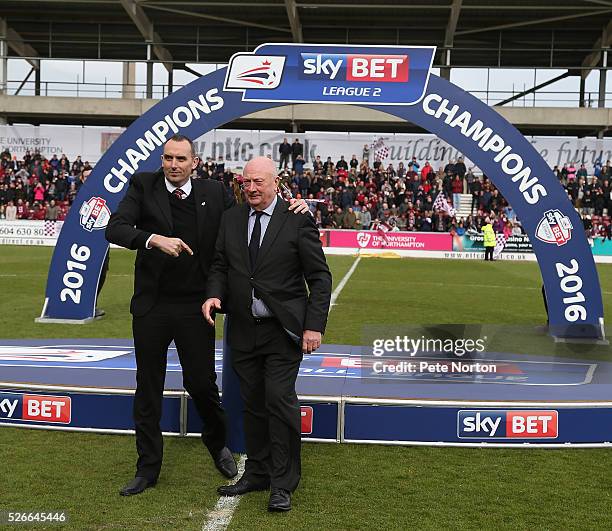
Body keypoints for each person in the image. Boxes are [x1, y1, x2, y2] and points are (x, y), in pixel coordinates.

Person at [105, 135, 240, 497]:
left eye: (181, 158)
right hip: (153, 305)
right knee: (148, 387)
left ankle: (217, 443)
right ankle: (147, 469)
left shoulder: (215, 191)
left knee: (201, 384)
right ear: (161, 159)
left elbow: (236, 234)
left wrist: (294, 207)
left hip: (196, 305)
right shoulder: (143, 185)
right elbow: (115, 228)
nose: (174, 164)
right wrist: (153, 239)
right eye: (168, 157)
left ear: (195, 162)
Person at [202, 156, 332, 512]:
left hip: (281, 331)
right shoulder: (231, 219)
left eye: (260, 182)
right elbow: (220, 265)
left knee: (279, 401)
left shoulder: (297, 218)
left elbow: (319, 278)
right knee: (253, 405)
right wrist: (214, 293)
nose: (253, 188)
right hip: (243, 330)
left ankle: (283, 482)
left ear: (276, 183)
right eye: (247, 183)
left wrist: (313, 325)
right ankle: (257, 472)